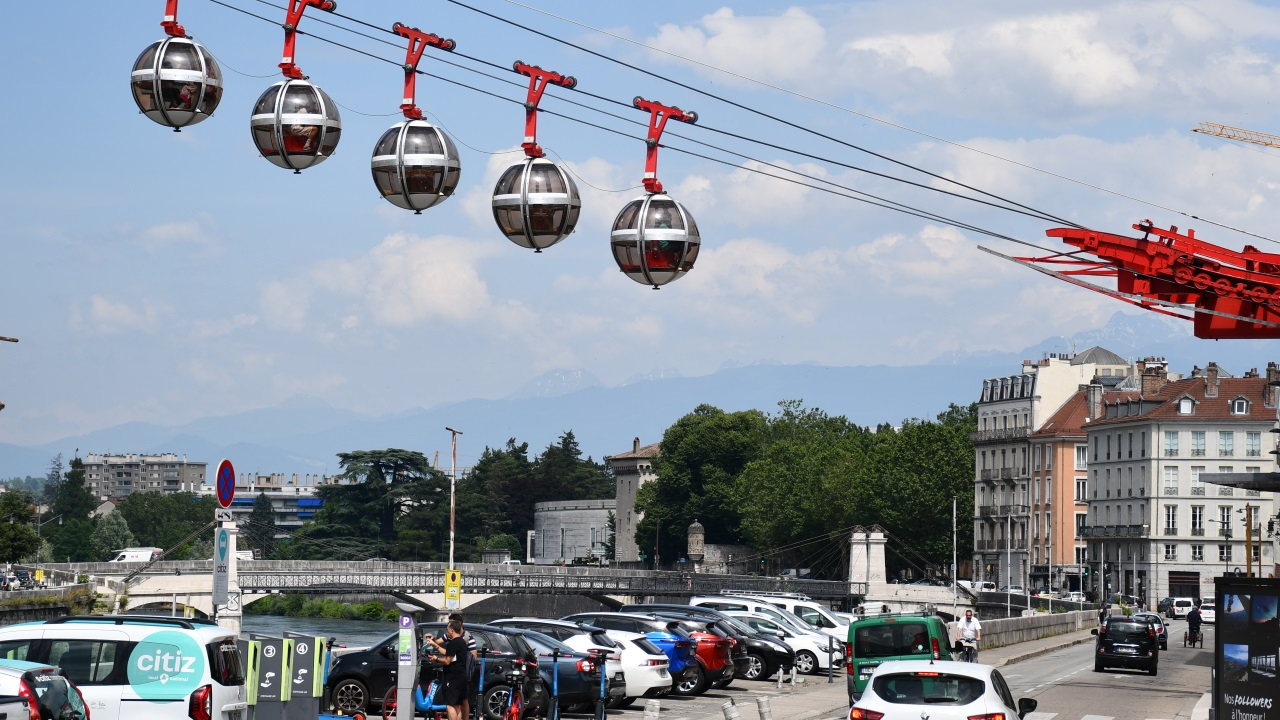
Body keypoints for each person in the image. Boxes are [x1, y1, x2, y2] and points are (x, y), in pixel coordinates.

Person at [426, 621, 469, 720]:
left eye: (447, 629)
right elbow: (449, 653)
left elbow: (447, 661)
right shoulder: (462, 642)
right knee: (457, 705)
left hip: (452, 678)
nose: (446, 632)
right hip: (461, 677)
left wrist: (436, 659)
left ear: (452, 631)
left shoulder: (452, 643)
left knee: (450, 705)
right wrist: (435, 645)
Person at [449, 612, 478, 720]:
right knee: (457, 701)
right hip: (454, 673)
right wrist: (433, 642)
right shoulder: (450, 636)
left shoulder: (467, 637)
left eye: (451, 623)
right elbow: (439, 642)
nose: (449, 625)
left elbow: (473, 656)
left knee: (460, 701)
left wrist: (467, 672)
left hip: (462, 673)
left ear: (459, 623)